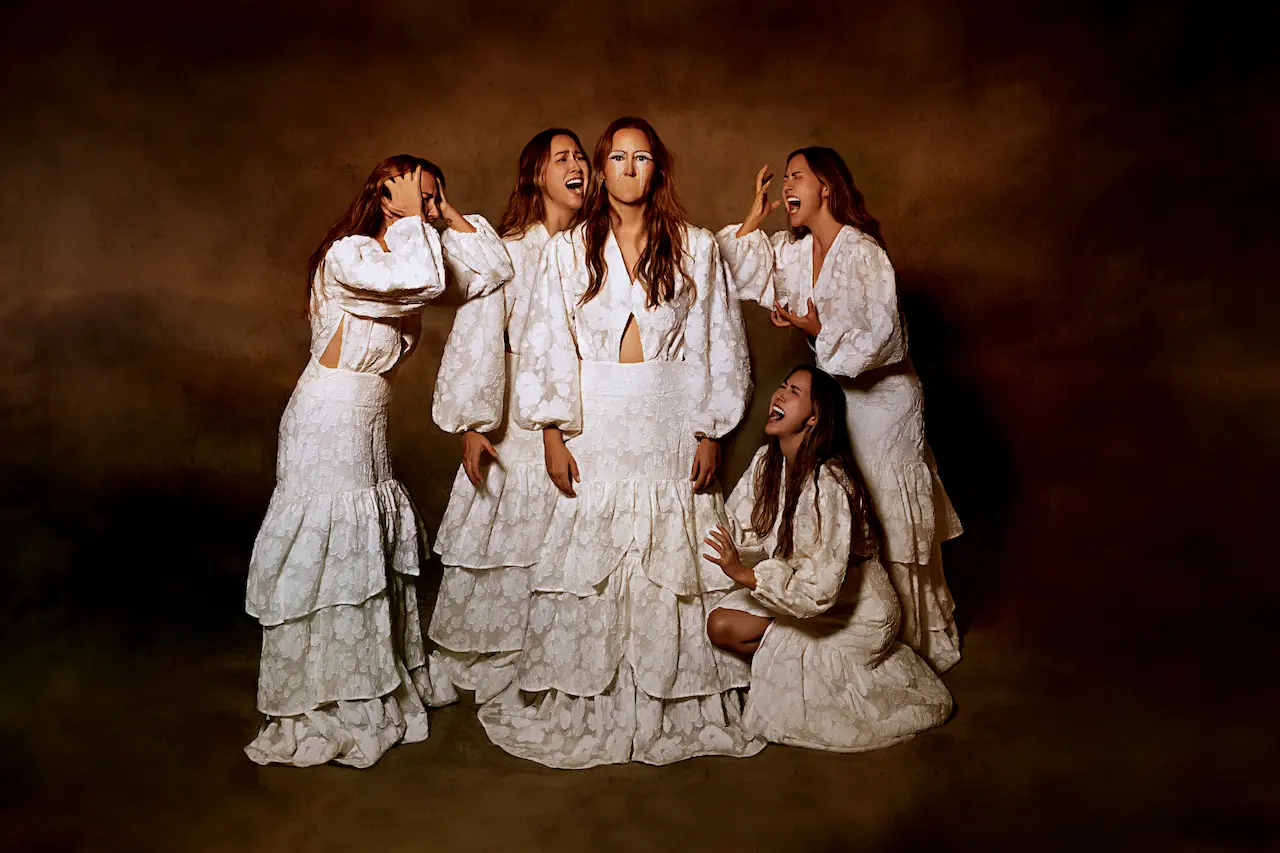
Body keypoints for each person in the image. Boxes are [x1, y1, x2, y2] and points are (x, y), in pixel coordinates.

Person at [477, 117, 763, 768]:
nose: (629, 169)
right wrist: (551, 431)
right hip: (597, 422)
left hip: (670, 420)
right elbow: (547, 345)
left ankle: (673, 698)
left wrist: (711, 428)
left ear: (657, 169)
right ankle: (593, 703)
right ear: (602, 169)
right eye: (617, 157)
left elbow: (721, 343)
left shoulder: (695, 247)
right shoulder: (567, 250)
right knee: (593, 565)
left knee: (673, 561)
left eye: (642, 158)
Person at [244, 156, 510, 767]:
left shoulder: (416, 248)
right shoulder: (350, 255)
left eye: (434, 193)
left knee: (365, 553)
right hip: (326, 416)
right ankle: (321, 699)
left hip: (366, 419)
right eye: (418, 190)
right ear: (386, 194)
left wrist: (440, 214)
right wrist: (417, 217)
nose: (428, 201)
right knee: (330, 552)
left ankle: (369, 684)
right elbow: (415, 283)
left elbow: (494, 273)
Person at [717, 148, 963, 673]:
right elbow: (736, 275)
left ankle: (914, 641)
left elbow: (884, 339)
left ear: (826, 186)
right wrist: (756, 217)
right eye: (784, 178)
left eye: (797, 176)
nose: (787, 186)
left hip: (886, 402)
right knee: (846, 510)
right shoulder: (794, 251)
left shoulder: (863, 252)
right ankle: (852, 627)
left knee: (889, 510)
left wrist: (815, 331)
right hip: (838, 399)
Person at [704, 365, 953, 752]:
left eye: (795, 393)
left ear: (814, 418)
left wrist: (746, 574)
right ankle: (792, 657)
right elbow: (742, 527)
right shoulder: (766, 464)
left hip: (857, 612)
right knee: (720, 622)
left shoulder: (831, 483)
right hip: (798, 593)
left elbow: (822, 590)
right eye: (782, 387)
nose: (780, 396)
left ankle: (858, 665)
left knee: (791, 674)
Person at [429, 128, 590, 704]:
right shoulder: (511, 249)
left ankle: (557, 653)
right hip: (517, 415)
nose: (578, 166)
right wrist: (474, 425)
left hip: (583, 406)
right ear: (537, 176)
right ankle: (495, 652)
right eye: (562, 158)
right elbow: (480, 339)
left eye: (581, 157)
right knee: (505, 541)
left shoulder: (597, 248)